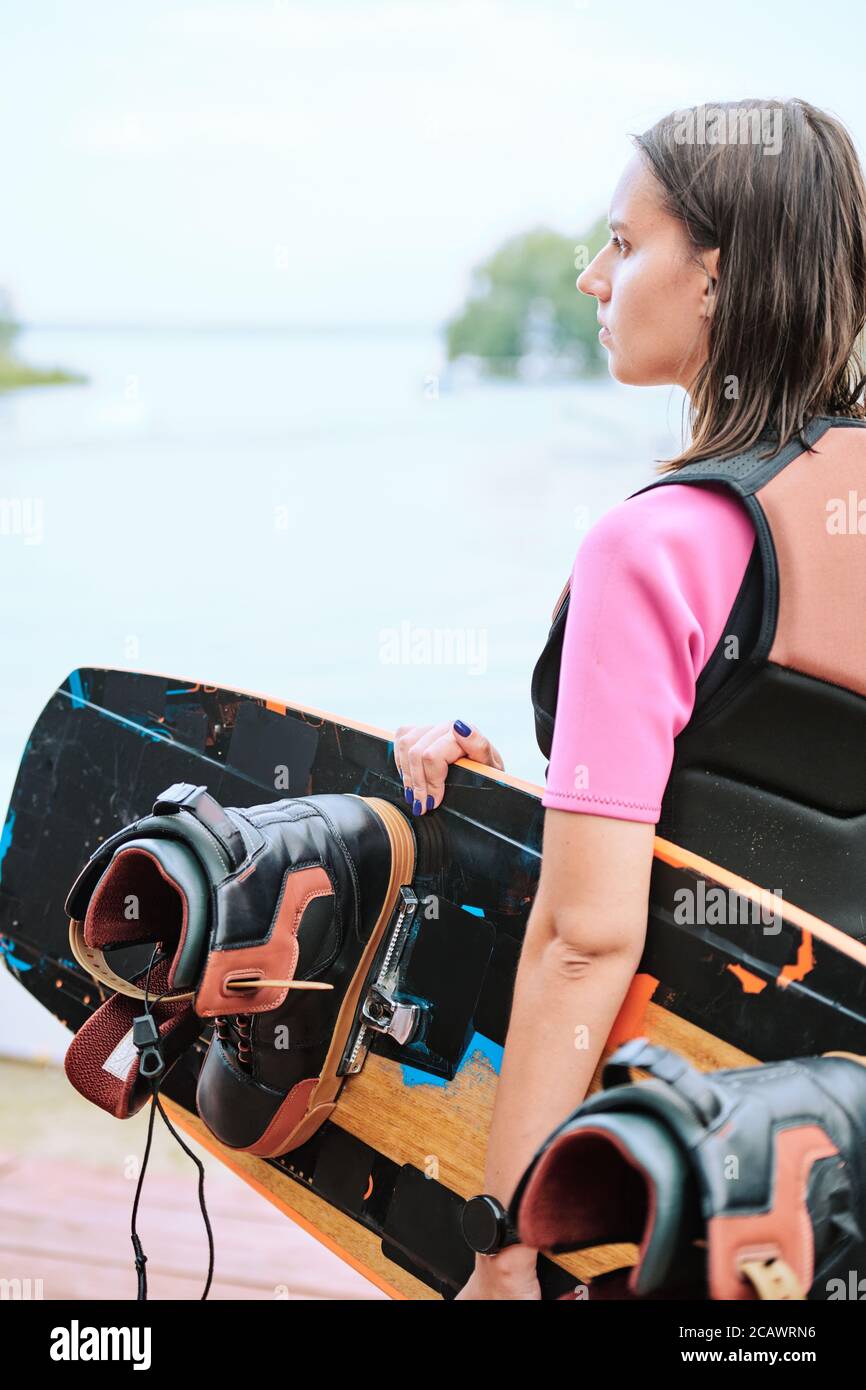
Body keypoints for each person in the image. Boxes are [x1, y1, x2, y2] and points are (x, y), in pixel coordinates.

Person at [393, 98, 866, 1300]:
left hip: (661, 1166)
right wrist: (526, 794)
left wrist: (501, 1244)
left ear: (713, 275)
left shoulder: (655, 546)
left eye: (623, 242)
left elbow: (584, 937)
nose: (594, 276)